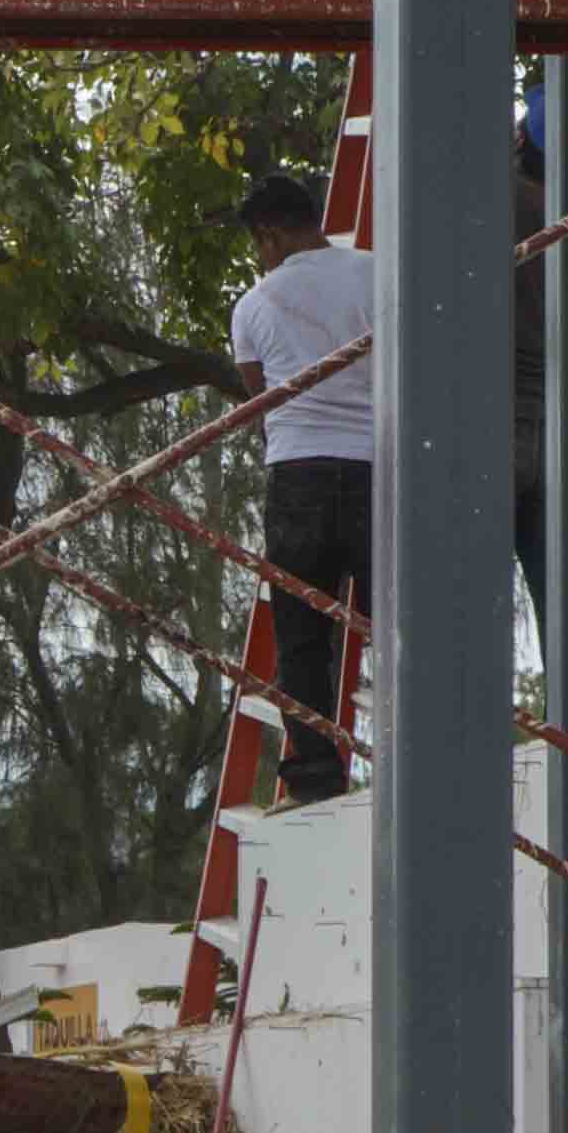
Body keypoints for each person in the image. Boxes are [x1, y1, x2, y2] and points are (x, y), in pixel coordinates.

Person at [228, 170, 384, 806]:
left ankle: (316, 777)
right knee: (398, 625)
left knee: (302, 634)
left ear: (267, 236)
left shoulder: (255, 304)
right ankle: (416, 752)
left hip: (298, 476)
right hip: (379, 467)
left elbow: (257, 395)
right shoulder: (378, 273)